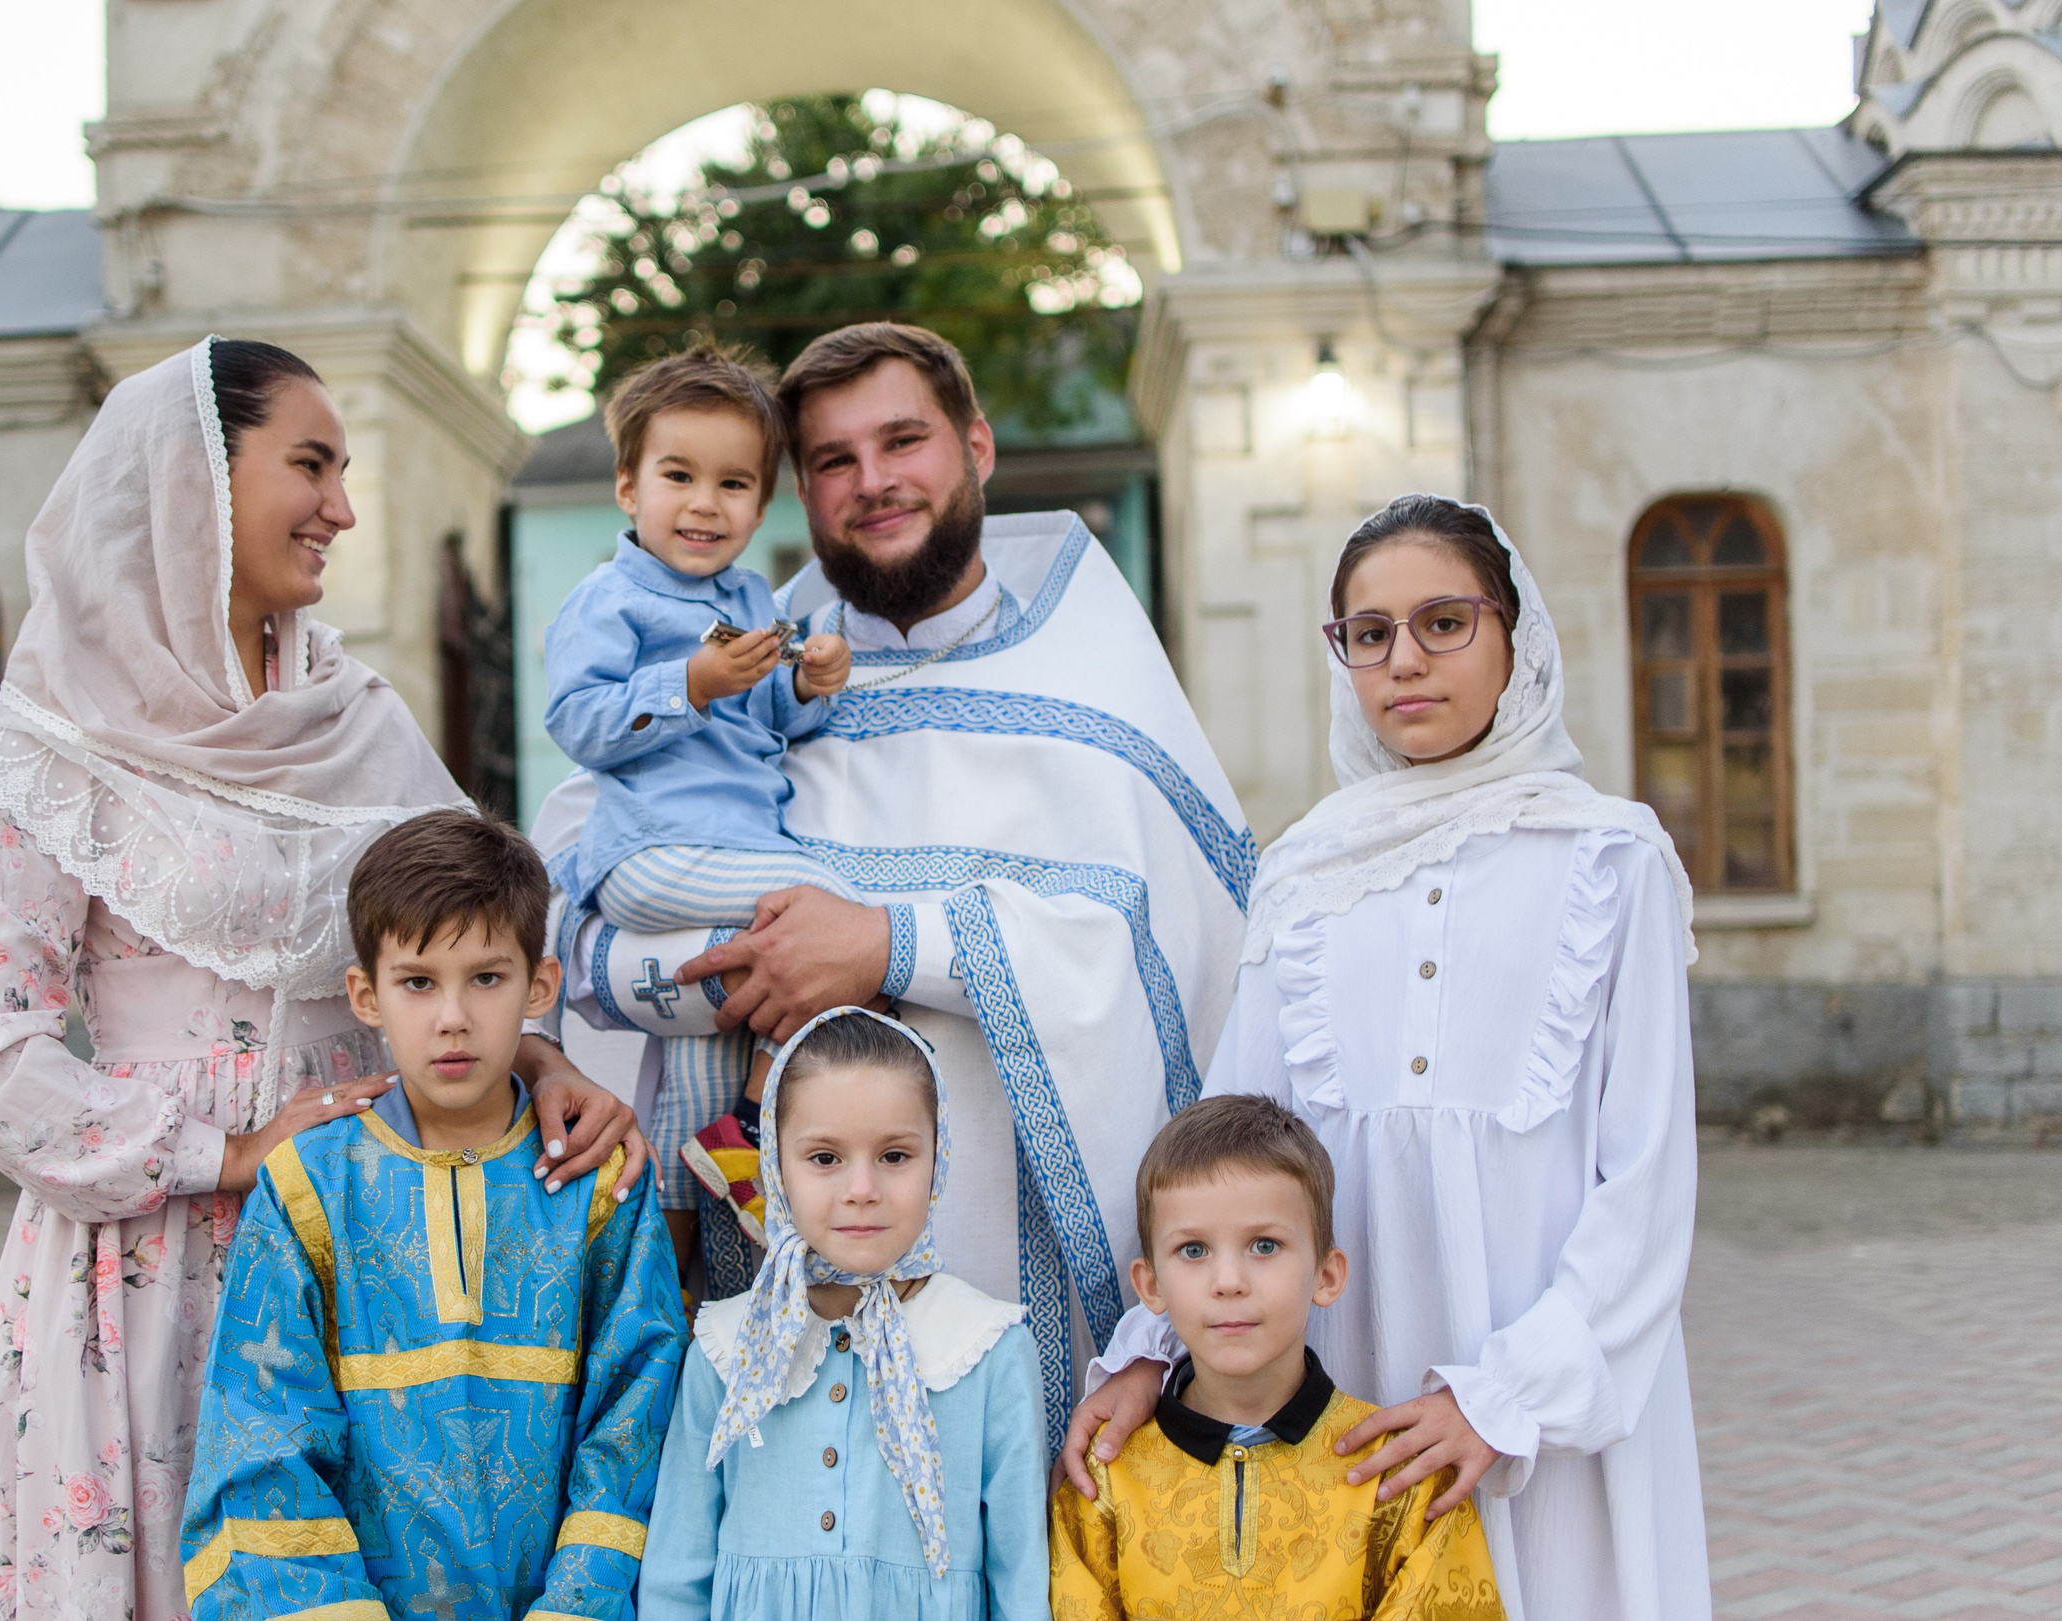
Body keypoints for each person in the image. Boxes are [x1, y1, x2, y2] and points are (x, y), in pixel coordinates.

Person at [0, 337, 643, 1621]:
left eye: (347, 470)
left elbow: (457, 933)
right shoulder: (52, 737)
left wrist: (543, 1059)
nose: (342, 508)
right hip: (140, 1272)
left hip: (364, 1250)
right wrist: (223, 1150)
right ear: (197, 478)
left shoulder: (359, 717)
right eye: (308, 464)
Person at [534, 323, 1255, 1445]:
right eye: (832, 459)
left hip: (1037, 1289)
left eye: (904, 440)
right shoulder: (752, 674)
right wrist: (708, 976)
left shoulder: (1090, 683)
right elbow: (587, 917)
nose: (872, 482)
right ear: (801, 493)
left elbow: (1167, 952)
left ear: (975, 445)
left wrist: (887, 944)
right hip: (790, 1280)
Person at [1062, 496, 1709, 1620]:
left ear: (1516, 635)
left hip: (1551, 1372)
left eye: (1442, 622)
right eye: (1369, 633)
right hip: (1357, 1350)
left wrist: (1505, 1397)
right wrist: (1145, 1347)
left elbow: (1647, 1177)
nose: (1403, 659)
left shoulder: (1611, 856)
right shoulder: (1308, 867)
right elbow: (1228, 1132)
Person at [180, 809, 686, 1621]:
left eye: (486, 977)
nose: (452, 1016)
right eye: (418, 981)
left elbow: (637, 1417)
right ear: (365, 995)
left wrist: (578, 1604)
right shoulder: (309, 1185)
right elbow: (263, 1430)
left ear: (541, 985)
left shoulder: (599, 1184)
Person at [540, 345, 853, 1264]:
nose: (705, 503)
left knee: (703, 1063)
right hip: (653, 854)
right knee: (834, 901)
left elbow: (775, 721)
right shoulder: (609, 598)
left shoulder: (752, 596)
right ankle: (760, 1118)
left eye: (734, 483)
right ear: (629, 487)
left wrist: (814, 681)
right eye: (679, 475)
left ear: (763, 505)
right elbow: (579, 720)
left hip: (723, 857)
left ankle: (679, 1275)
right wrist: (691, 681)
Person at [638, 1007, 1048, 1621]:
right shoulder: (728, 1347)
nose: (861, 1188)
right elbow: (676, 1572)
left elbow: (1020, 1581)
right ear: (776, 1165)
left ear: (939, 1159)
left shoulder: (987, 1348)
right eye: (825, 1158)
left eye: (895, 1156)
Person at [1048, 1094, 1503, 1619]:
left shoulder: (1403, 1479)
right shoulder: (1103, 1478)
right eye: (1193, 1250)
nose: (1228, 1283)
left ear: (1326, 1275)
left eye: (1264, 1245)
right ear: (1150, 1285)